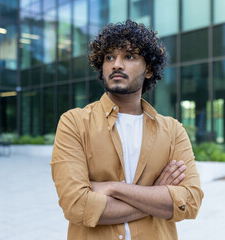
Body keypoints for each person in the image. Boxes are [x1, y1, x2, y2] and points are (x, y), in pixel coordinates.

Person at [50, 20, 203, 240]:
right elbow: (76, 206)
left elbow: (190, 202)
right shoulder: (74, 122)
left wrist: (112, 188)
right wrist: (156, 194)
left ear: (148, 69)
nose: (116, 65)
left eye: (129, 56)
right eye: (109, 57)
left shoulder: (173, 130)